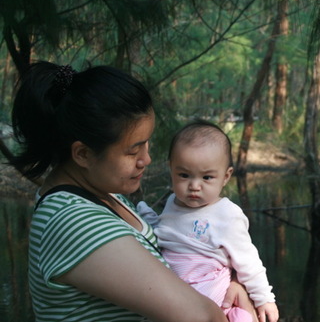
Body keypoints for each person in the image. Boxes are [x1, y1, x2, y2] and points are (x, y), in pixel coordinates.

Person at [10, 61, 254, 322]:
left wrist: (228, 283)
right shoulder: (71, 220)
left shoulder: (101, 194)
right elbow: (201, 316)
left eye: (146, 144)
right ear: (83, 154)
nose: (146, 159)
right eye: (133, 150)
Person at [137, 120, 279, 322]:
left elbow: (248, 261)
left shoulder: (227, 215)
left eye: (207, 178)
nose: (194, 186)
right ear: (171, 170)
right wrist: (145, 216)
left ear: (226, 176)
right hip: (174, 291)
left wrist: (264, 298)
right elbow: (165, 231)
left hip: (210, 289)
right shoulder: (173, 202)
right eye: (184, 175)